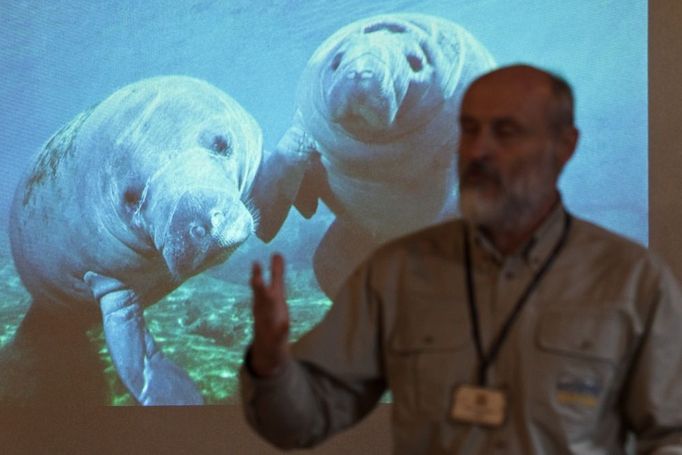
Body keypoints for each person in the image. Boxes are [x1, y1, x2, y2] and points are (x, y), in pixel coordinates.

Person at [239, 64, 682, 454]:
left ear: (565, 144)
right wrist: (271, 364)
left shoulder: (634, 281)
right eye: (472, 130)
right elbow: (306, 421)